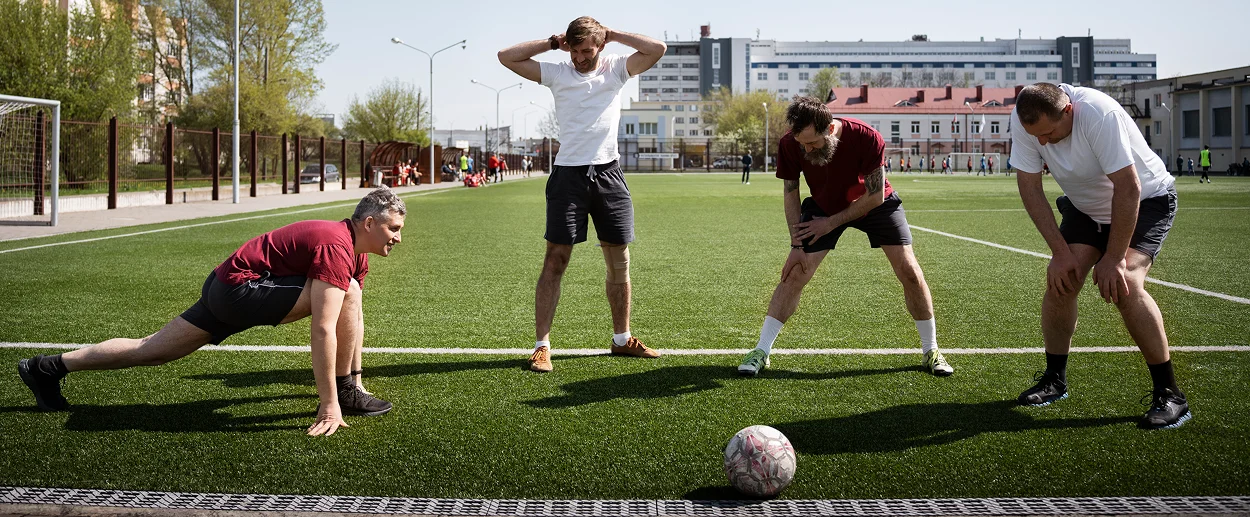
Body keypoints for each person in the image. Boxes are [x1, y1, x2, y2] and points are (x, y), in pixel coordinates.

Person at [17, 188, 407, 436]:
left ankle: (47, 368)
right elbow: (324, 328)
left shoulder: (355, 254)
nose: (398, 237)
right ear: (369, 222)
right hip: (239, 290)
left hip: (226, 287)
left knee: (151, 349)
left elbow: (348, 321)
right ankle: (343, 393)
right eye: (393, 228)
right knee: (347, 293)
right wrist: (330, 403)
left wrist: (356, 378)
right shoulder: (336, 246)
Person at [1010, 83, 1188, 430]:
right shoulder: (1026, 120)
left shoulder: (1098, 113)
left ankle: (1171, 395)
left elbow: (1129, 186)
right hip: (1086, 207)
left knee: (1126, 286)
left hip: (1145, 201)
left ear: (1068, 111)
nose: (1042, 143)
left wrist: (1115, 258)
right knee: (1062, 281)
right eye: (1037, 137)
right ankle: (1054, 379)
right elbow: (1030, 188)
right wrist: (1060, 254)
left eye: (1049, 134)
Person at [736, 96, 954, 378]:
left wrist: (830, 224)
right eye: (802, 143)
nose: (806, 149)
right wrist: (796, 243)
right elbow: (791, 192)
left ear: (830, 129)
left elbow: (875, 195)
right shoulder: (791, 143)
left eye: (812, 143)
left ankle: (931, 350)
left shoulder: (867, 137)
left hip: (873, 204)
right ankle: (761, 351)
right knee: (795, 272)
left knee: (910, 270)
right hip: (824, 205)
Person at [499, 16, 666, 373]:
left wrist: (615, 34)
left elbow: (658, 49)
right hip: (568, 177)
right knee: (556, 259)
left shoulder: (617, 68)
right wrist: (550, 42)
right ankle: (542, 346)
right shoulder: (559, 73)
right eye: (574, 51)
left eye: (586, 50)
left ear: (599, 45)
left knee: (618, 257)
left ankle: (622, 340)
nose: (579, 58)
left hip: (610, 174)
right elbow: (506, 57)